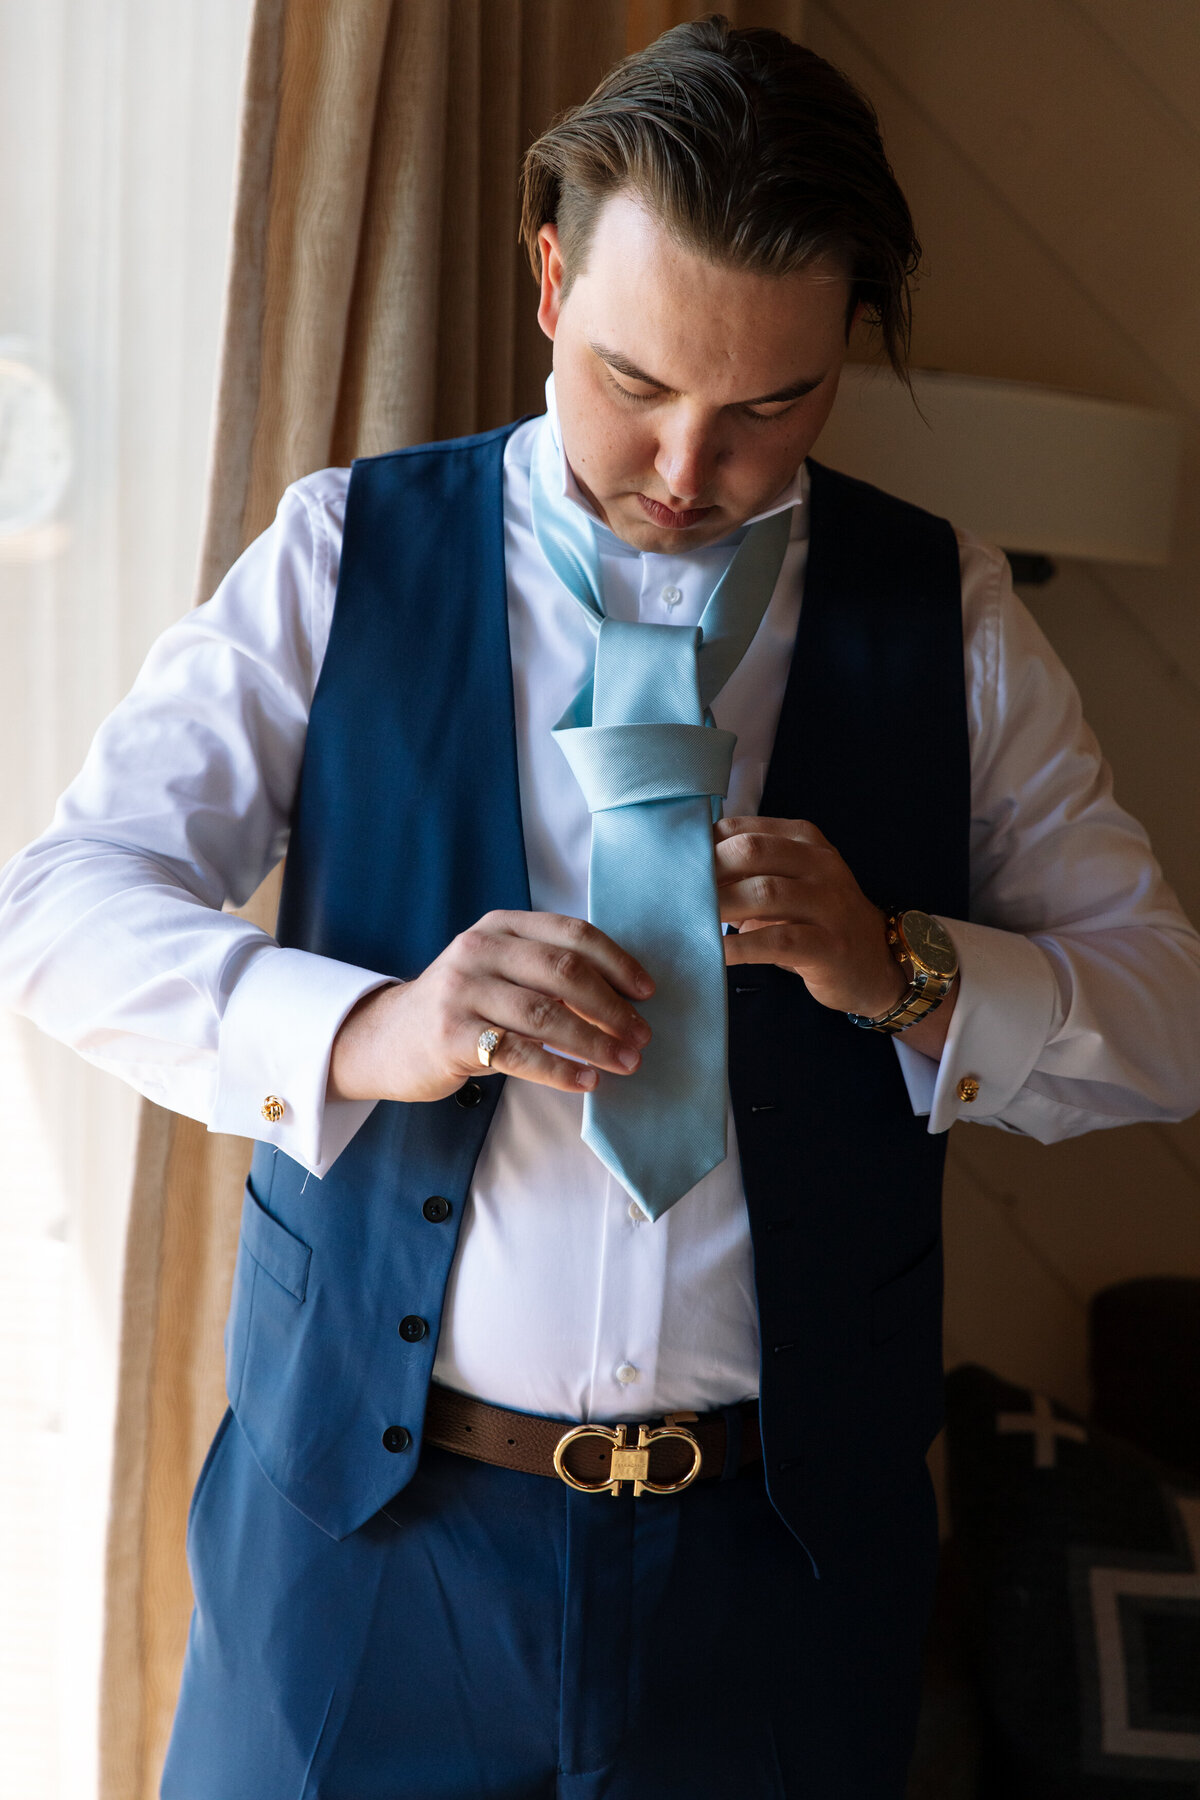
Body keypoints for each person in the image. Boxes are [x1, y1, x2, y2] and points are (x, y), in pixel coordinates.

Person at [2, 17, 1199, 1799]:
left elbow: (1162, 1016)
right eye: (640, 379)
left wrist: (906, 970)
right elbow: (63, 906)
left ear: (846, 354)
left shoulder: (939, 616)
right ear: (553, 281)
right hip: (361, 1551)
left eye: (770, 406)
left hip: (776, 1585)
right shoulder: (347, 553)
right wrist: (374, 1027)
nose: (688, 464)